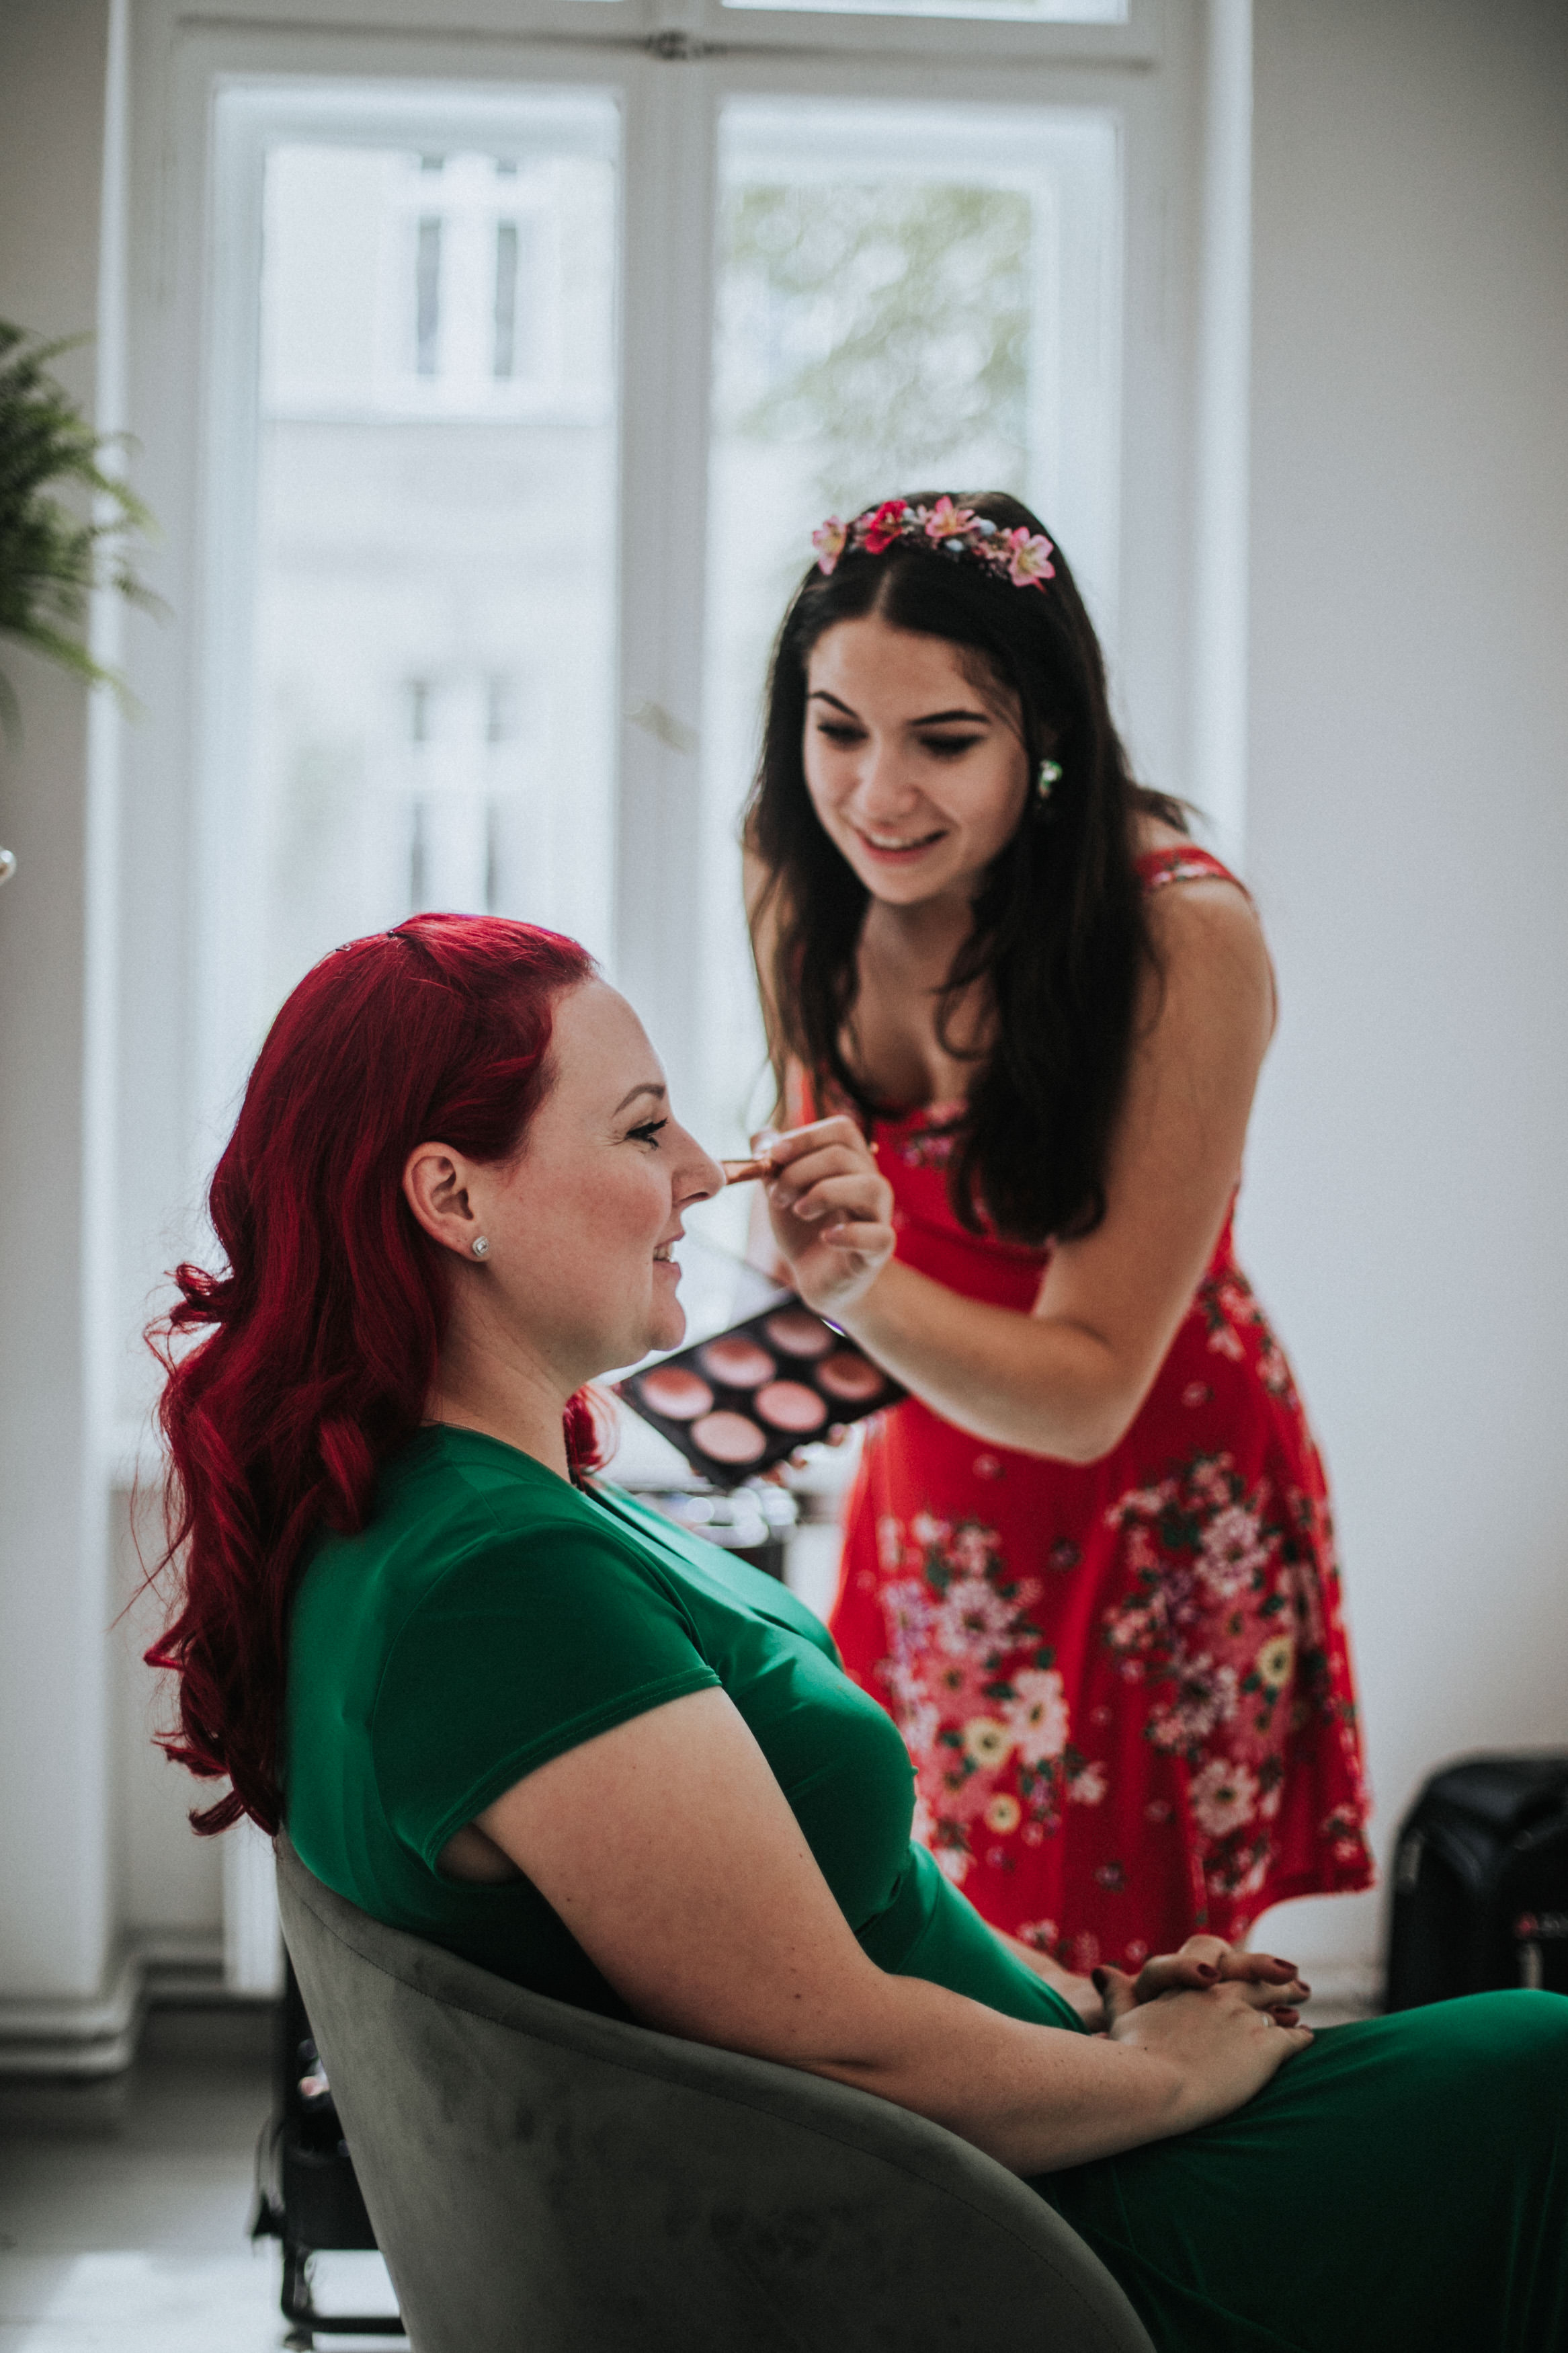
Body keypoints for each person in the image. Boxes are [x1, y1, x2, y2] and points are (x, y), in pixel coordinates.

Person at [144, 915, 1566, 2353]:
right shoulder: (494, 1585)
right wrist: (1165, 2078)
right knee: (1539, 2060)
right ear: (452, 1196)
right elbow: (832, 2036)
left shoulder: (418, 1509)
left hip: (1005, 2136)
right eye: (645, 1131)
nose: (705, 1172)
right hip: (1013, 2230)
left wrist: (1093, 1995)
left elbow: (837, 1930)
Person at [742, 491, 1372, 1972]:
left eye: (944, 740)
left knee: (1150, 2002)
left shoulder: (1180, 934)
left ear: (1048, 733)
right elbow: (824, 1213)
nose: (876, 792)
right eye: (837, 729)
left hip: (1155, 1496)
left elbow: (1091, 1386)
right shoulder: (796, 874)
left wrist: (848, 1283)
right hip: (936, 1492)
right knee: (950, 1964)